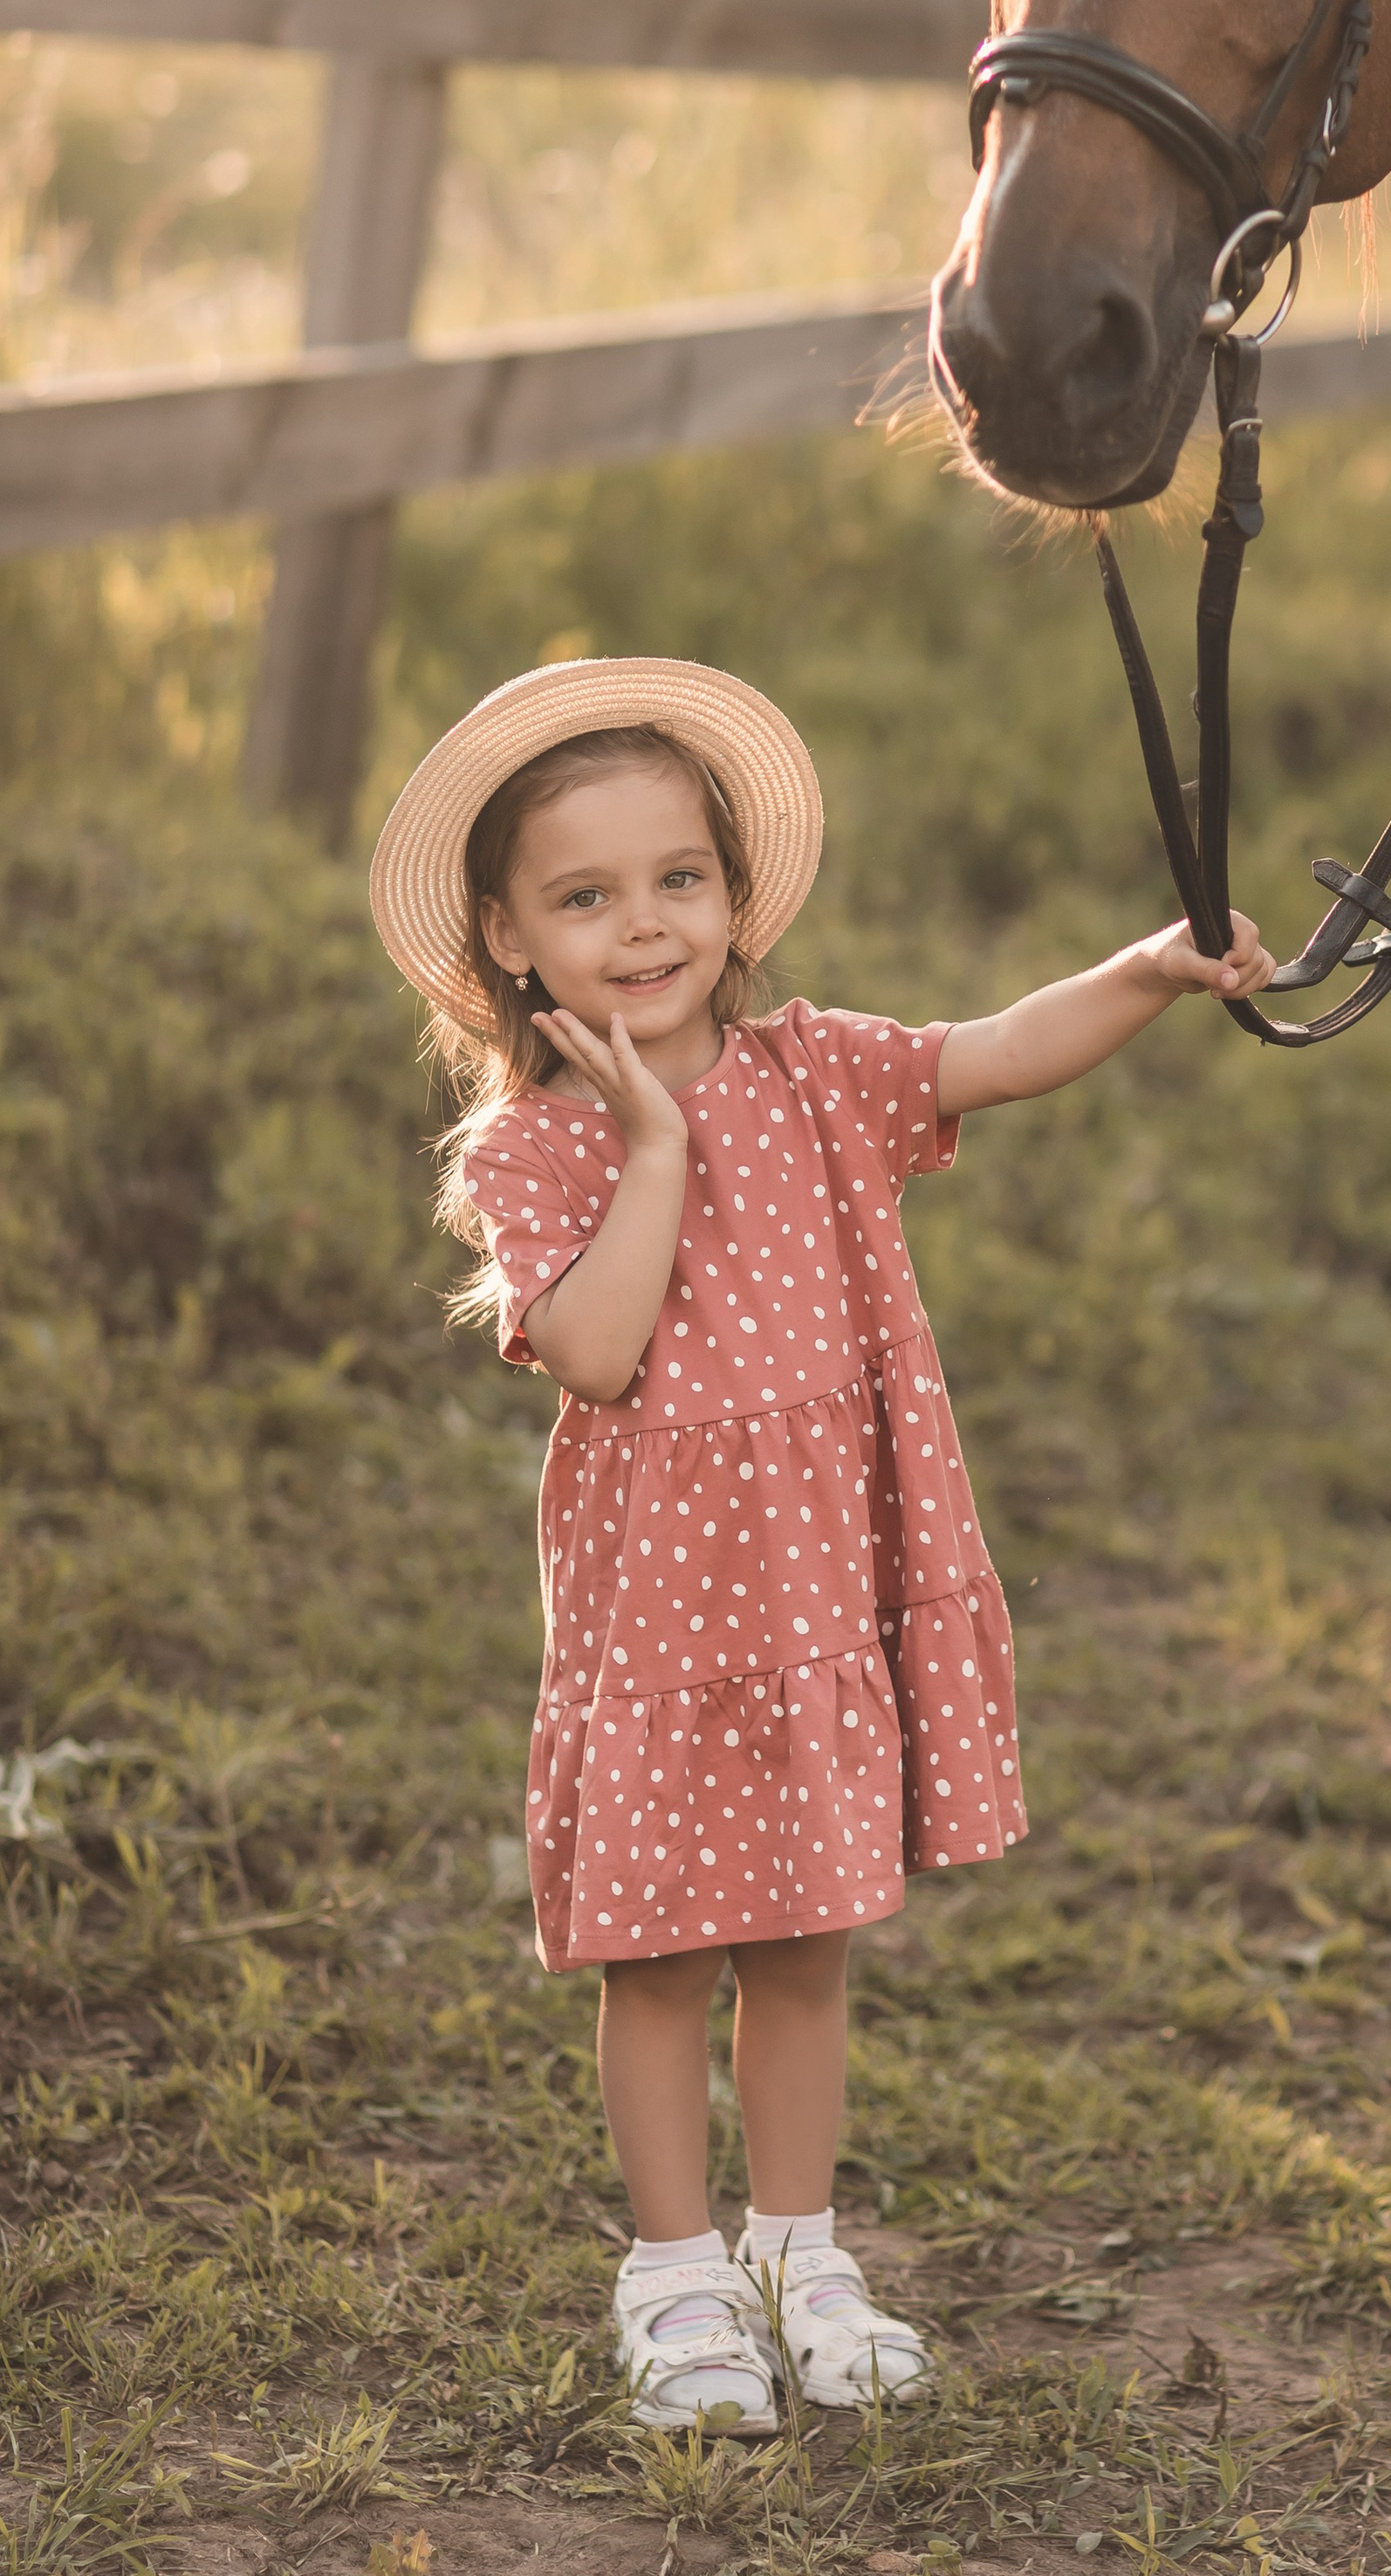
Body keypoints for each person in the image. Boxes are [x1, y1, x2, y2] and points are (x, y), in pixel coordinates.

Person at [368, 656, 1273, 2435]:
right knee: (661, 1954)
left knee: (804, 1937)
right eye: (586, 896)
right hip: (664, 1621)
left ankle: (799, 2242)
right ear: (510, 935)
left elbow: (986, 1055)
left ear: (732, 894)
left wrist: (1145, 974)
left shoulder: (813, 1069)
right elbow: (601, 1348)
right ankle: (677, 2272)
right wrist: (649, 1140)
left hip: (816, 1594)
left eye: (677, 880)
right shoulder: (535, 1148)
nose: (643, 927)